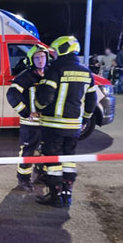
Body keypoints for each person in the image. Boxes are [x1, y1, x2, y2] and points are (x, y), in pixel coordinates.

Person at [34, 36, 97, 208]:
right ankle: (67, 194)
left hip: (53, 125)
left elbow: (45, 96)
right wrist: (85, 118)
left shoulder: (55, 69)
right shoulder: (86, 72)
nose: (53, 55)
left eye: (54, 51)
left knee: (53, 161)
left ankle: (55, 196)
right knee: (68, 159)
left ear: (62, 49)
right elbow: (92, 100)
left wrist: (38, 106)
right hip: (74, 126)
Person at [6, 45, 49, 192]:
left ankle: (41, 174)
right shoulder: (26, 76)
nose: (40, 60)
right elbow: (12, 94)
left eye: (42, 57)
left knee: (45, 149)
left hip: (47, 122)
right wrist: (26, 112)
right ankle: (23, 179)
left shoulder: (50, 74)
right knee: (28, 150)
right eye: (36, 58)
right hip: (30, 122)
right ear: (32, 60)